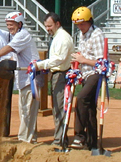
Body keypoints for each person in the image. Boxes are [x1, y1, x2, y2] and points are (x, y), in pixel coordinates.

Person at [0, 11, 41, 143]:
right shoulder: (17, 36)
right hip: (24, 80)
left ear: (20, 23)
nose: (9, 27)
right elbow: (12, 57)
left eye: (12, 24)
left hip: (30, 79)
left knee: (27, 110)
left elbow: (9, 48)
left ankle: (24, 140)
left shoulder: (22, 35)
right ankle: (31, 138)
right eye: (8, 25)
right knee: (26, 110)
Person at [34, 12, 74, 146]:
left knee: (59, 108)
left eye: (50, 26)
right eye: (46, 26)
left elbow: (59, 59)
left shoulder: (63, 38)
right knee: (57, 108)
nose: (48, 29)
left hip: (62, 75)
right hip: (57, 74)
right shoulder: (57, 37)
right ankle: (60, 138)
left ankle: (60, 140)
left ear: (57, 24)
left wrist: (40, 65)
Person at [69, 6, 105, 150]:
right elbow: (82, 55)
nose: (80, 27)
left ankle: (79, 135)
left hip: (95, 74)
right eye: (77, 24)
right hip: (84, 74)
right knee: (89, 108)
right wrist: (76, 62)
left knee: (82, 98)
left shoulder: (97, 35)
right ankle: (92, 143)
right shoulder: (82, 35)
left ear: (90, 21)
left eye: (82, 23)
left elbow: (101, 62)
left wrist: (82, 59)